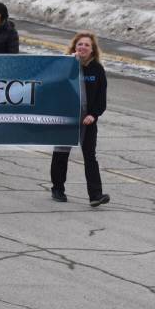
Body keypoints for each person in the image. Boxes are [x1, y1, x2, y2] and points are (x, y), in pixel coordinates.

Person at [51, 32, 110, 207]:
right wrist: (71, 64)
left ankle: (95, 195)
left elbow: (101, 98)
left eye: (87, 45)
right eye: (80, 44)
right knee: (61, 154)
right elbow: (55, 86)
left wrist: (94, 114)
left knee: (90, 156)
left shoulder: (97, 69)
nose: (83, 47)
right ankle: (58, 189)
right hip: (67, 118)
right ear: (74, 47)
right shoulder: (66, 65)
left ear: (92, 50)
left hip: (88, 120)